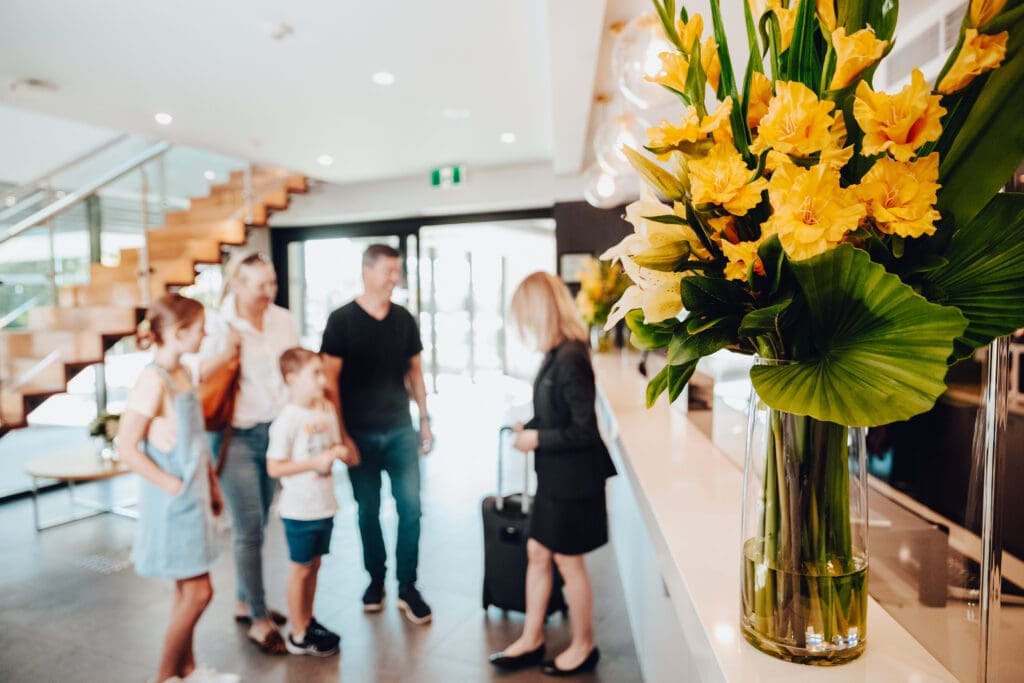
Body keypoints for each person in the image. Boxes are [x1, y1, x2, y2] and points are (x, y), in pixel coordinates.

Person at [489, 272, 617, 677]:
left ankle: (584, 646)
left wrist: (537, 439)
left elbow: (583, 429)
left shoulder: (572, 357)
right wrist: (529, 426)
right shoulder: (555, 352)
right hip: (555, 477)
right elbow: (554, 411)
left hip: (574, 480)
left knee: (567, 561)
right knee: (537, 552)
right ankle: (532, 638)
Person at [118, 294, 237, 683]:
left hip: (195, 496)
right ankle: (165, 677)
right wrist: (172, 484)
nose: (205, 335)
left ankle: (187, 671)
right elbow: (126, 447)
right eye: (200, 329)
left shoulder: (182, 372)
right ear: (177, 332)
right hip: (173, 504)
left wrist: (212, 485)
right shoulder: (151, 380)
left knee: (187, 592)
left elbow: (197, 442)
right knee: (201, 593)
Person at [320, 243, 435, 625]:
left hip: (401, 430)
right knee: (368, 512)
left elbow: (415, 373)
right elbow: (329, 383)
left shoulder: (404, 319)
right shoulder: (341, 321)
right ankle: (375, 580)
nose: (394, 278)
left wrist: (425, 420)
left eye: (396, 271)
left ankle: (408, 586)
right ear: (367, 272)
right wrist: (342, 436)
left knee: (411, 509)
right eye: (388, 270)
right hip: (359, 434)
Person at [198, 251, 300, 654]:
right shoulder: (217, 324)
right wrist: (228, 350)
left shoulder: (282, 319)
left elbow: (291, 367)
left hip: (274, 433)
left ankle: (245, 600)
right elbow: (195, 376)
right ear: (237, 285)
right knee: (248, 527)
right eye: (261, 285)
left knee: (261, 523)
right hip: (234, 436)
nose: (269, 291)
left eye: (272, 283)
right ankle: (259, 618)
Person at [266, 347, 356, 656]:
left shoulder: (326, 409)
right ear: (292, 379)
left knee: (314, 565)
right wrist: (315, 462)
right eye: (314, 374)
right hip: (299, 509)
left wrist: (337, 452)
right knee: (301, 568)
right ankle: (298, 632)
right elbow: (275, 466)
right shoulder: (287, 420)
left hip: (324, 503)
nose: (323, 379)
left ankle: (308, 617)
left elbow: (331, 445)